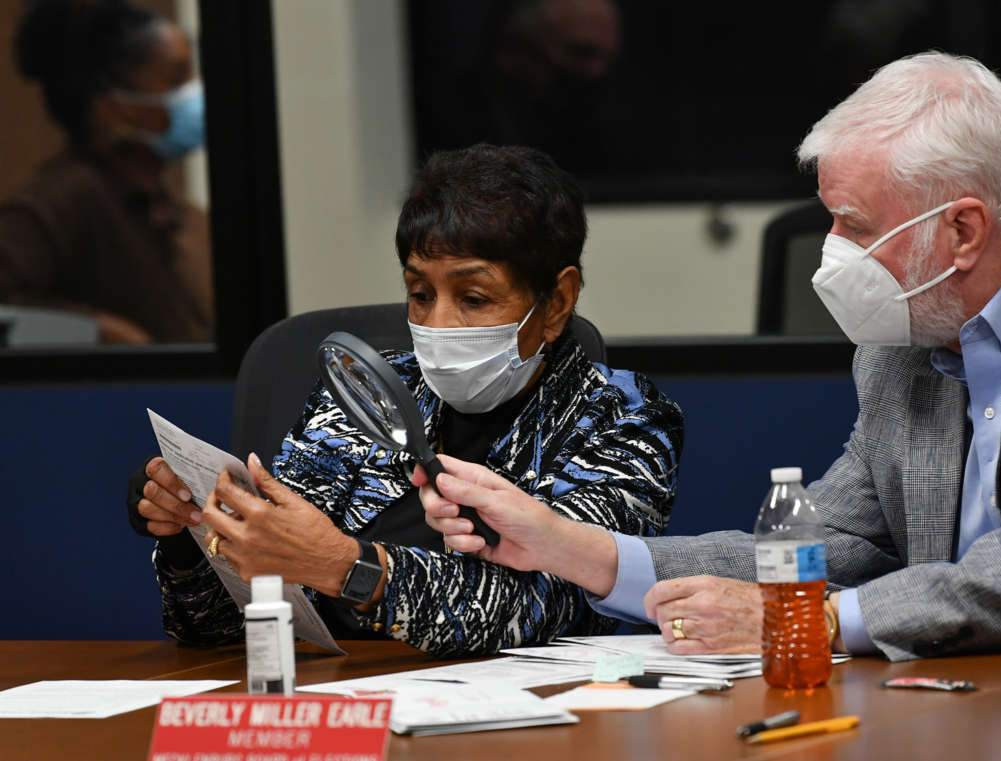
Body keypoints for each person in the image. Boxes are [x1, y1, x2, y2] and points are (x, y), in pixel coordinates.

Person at [424, 52, 1001, 661]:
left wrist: (819, 620)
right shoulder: (903, 340)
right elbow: (842, 543)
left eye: (854, 226)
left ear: (962, 231)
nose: (830, 256)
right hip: (951, 690)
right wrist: (577, 549)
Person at [130, 143, 684, 656]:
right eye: (420, 295)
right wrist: (193, 535)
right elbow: (224, 623)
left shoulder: (624, 419)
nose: (438, 324)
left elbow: (543, 607)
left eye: (473, 297)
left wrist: (346, 566)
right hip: (339, 700)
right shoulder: (359, 397)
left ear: (558, 301)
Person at [0, 0, 211, 343]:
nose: (195, 95)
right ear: (111, 105)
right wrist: (99, 331)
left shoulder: (174, 213)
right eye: (175, 78)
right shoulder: (61, 198)